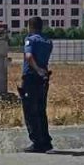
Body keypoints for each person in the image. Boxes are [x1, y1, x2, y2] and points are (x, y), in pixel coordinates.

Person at [19, 16, 53, 153]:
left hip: (31, 77)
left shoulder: (30, 39)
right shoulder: (48, 41)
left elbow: (28, 56)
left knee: (30, 111)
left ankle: (37, 142)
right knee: (41, 110)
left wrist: (37, 69)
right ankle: (46, 141)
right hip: (43, 79)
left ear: (30, 26)